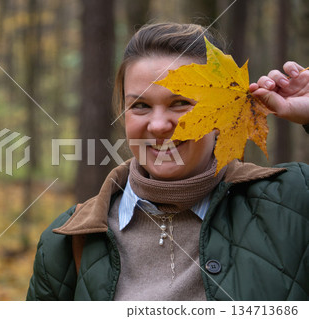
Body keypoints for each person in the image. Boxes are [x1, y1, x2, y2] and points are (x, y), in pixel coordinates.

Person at [26, 22, 309, 301]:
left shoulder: (294, 201)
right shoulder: (67, 243)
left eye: (180, 103)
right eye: (140, 106)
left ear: (222, 113)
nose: (159, 125)